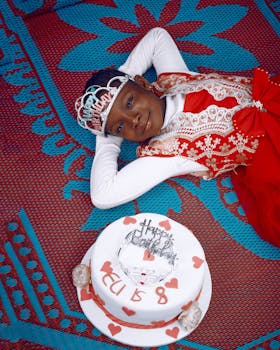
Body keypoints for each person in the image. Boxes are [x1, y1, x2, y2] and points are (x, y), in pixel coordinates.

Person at [75, 27, 280, 247]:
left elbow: (156, 37)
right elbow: (102, 195)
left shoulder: (175, 79)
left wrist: (122, 81)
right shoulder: (166, 154)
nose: (133, 119)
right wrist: (105, 136)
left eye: (129, 102)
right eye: (121, 127)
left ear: (143, 84)